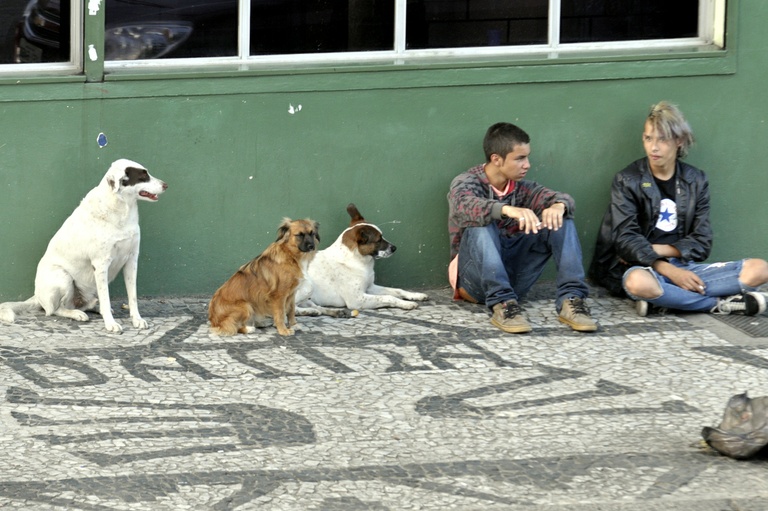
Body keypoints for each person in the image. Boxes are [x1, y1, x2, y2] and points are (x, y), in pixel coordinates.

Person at [590, 100, 768, 316]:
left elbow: (702, 242)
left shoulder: (695, 180)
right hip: (642, 268)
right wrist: (666, 268)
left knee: (760, 269)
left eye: (662, 139)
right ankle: (720, 304)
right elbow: (626, 240)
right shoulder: (627, 180)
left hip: (684, 265)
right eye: (648, 138)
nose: (653, 147)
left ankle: (668, 299)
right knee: (639, 284)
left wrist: (659, 251)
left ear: (679, 141)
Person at [447, 122, 598, 334]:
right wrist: (507, 210)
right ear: (496, 159)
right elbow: (464, 205)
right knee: (480, 224)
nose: (527, 164)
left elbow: (563, 199)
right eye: (519, 158)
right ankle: (502, 305)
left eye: (527, 157)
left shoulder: (524, 189)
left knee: (560, 218)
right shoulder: (466, 182)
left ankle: (572, 299)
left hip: (515, 281)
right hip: (475, 283)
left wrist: (558, 206)